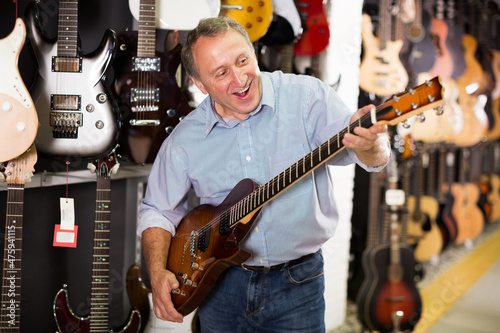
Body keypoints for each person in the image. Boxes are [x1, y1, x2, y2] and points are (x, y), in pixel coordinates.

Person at [138, 17, 390, 332]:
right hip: (221, 286)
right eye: (221, 73)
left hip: (299, 283)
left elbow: (370, 158)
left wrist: (373, 143)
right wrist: (159, 269)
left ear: (254, 53)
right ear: (199, 84)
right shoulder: (183, 140)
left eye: (243, 60)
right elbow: (157, 210)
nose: (240, 78)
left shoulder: (307, 97)